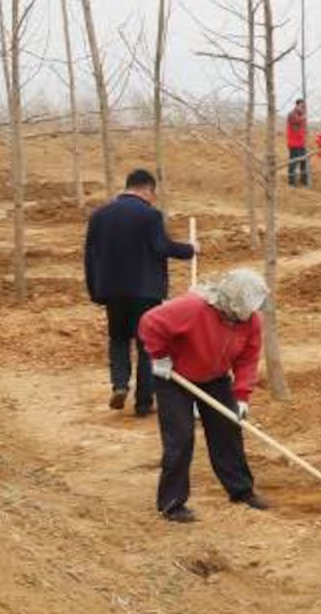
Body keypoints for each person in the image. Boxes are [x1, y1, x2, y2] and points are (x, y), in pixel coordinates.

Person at [137, 267, 270, 522]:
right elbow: (150, 322)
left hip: (215, 378)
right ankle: (172, 503)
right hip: (174, 377)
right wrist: (160, 356)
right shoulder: (194, 308)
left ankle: (241, 491)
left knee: (228, 430)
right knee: (181, 437)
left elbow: (247, 359)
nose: (253, 311)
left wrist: (241, 397)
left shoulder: (251, 321)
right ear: (234, 299)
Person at [85, 169, 197, 415]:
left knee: (118, 339)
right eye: (153, 194)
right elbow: (160, 246)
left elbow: (90, 256)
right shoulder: (150, 215)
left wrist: (95, 289)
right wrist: (189, 249)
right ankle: (144, 402)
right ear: (147, 189)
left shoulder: (99, 215)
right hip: (145, 291)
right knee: (147, 343)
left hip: (112, 290)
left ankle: (120, 385)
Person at [285, 98, 310, 187]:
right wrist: (304, 117)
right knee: (293, 163)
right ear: (297, 105)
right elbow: (296, 120)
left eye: (304, 107)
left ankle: (304, 181)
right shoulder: (292, 114)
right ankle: (291, 182)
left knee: (304, 161)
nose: (303, 108)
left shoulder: (301, 114)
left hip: (301, 143)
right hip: (294, 143)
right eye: (301, 106)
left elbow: (302, 128)